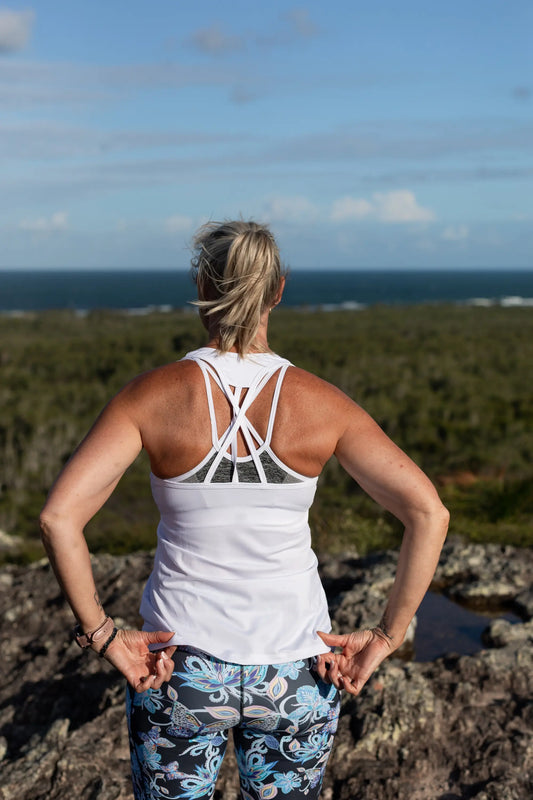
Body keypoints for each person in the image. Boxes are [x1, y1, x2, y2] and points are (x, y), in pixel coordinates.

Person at [40, 220, 449, 800]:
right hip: (298, 671)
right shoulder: (323, 403)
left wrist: (103, 635)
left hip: (178, 669)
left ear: (202, 286)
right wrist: (386, 635)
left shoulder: (150, 396)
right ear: (278, 291)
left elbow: (58, 518)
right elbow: (429, 513)